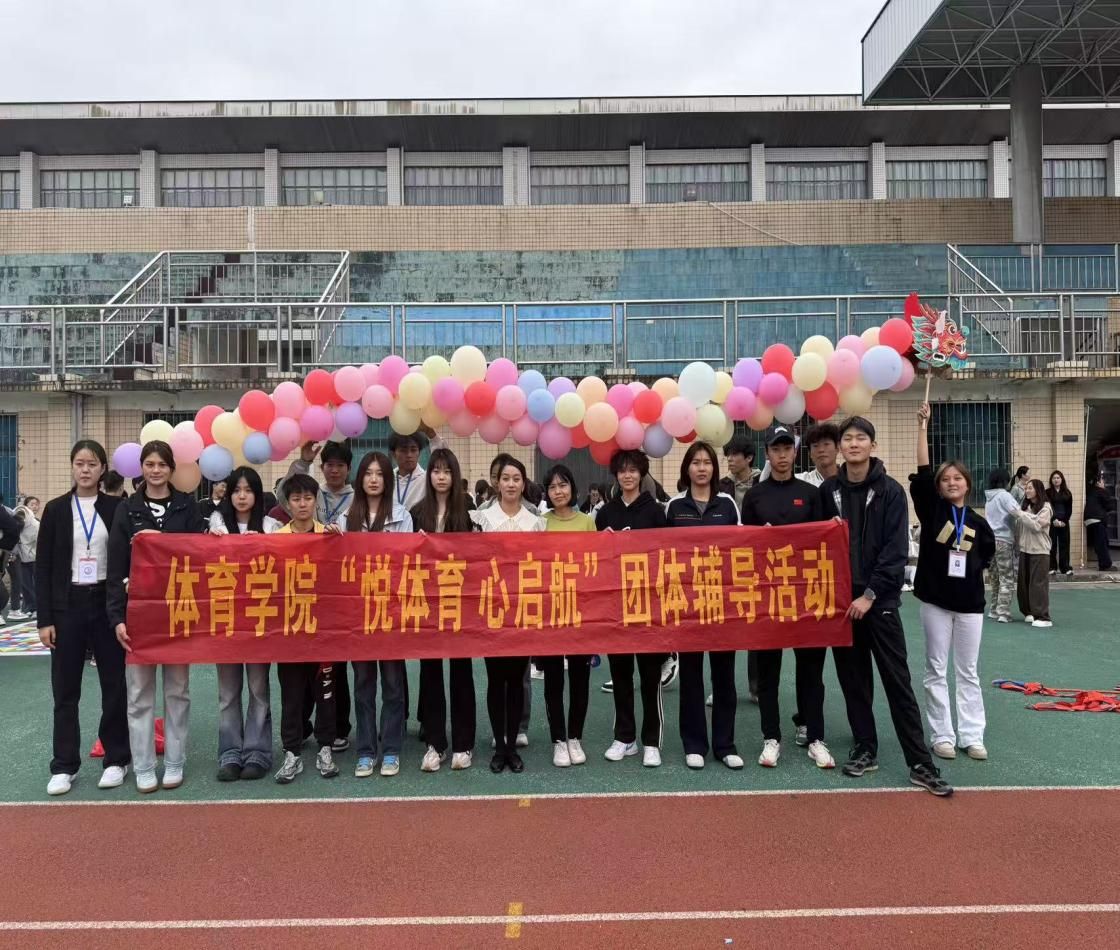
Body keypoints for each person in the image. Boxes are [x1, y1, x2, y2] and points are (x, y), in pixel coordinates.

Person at [820, 416, 952, 797]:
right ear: (841, 448)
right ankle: (866, 747)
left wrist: (870, 595)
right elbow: (815, 543)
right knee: (854, 681)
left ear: (872, 446)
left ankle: (920, 763)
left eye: (861, 438)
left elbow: (895, 552)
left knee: (897, 682)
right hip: (842, 605)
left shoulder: (892, 492)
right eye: (848, 439)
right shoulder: (828, 491)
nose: (854, 444)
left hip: (880, 604)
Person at [108, 440, 206, 793]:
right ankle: (144, 765)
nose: (155, 470)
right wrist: (117, 616)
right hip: (140, 613)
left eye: (162, 464)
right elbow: (115, 565)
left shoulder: (187, 506)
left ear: (171, 469)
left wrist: (162, 539)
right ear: (141, 468)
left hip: (179, 609)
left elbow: (200, 555)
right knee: (139, 693)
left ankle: (175, 761)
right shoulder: (127, 509)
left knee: (178, 689)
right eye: (149, 464)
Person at [37, 441, 128, 796]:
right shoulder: (56, 509)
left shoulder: (116, 508)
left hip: (106, 602)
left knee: (114, 684)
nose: (86, 469)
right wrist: (45, 619)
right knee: (65, 689)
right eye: (79, 463)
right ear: (72, 467)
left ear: (103, 468)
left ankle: (117, 759)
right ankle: (64, 765)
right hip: (67, 605)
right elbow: (44, 566)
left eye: (92, 463)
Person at [741, 425, 833, 770]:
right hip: (768, 598)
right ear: (768, 454)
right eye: (776, 450)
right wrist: (760, 539)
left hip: (806, 596)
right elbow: (744, 547)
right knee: (768, 673)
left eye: (787, 449)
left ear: (795, 453)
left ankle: (815, 737)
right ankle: (771, 738)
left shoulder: (811, 494)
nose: (782, 455)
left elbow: (824, 542)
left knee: (811, 671)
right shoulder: (755, 496)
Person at [913, 403, 995, 763]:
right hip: (935, 603)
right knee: (935, 669)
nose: (951, 483)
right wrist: (923, 427)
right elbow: (922, 469)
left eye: (957, 478)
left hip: (970, 606)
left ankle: (972, 735)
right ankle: (942, 735)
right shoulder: (932, 509)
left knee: (968, 671)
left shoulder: (979, 524)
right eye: (945, 479)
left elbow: (986, 557)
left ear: (967, 484)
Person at [666, 441, 743, 771]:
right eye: (695, 462)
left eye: (707, 462)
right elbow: (661, 553)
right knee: (692, 677)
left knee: (724, 677)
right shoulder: (674, 507)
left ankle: (725, 745)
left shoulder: (727, 505)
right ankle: (694, 744)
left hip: (722, 603)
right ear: (687, 468)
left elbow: (741, 548)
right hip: (687, 605)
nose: (701, 468)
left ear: (714, 467)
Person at [596, 449, 668, 767]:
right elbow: (597, 561)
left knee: (650, 676)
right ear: (616, 474)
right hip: (616, 607)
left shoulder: (655, 512)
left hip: (648, 607)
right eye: (622, 470)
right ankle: (625, 738)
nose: (627, 475)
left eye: (633, 470)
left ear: (642, 473)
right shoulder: (605, 513)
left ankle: (651, 741)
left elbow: (665, 556)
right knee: (621, 674)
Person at [207, 467, 280, 782]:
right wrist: (213, 542)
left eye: (248, 490)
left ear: (257, 494)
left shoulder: (271, 526)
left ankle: (258, 753)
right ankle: (230, 753)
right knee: (228, 692)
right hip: (225, 619)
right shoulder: (216, 523)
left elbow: (283, 564)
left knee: (258, 689)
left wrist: (264, 544)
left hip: (259, 619)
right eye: (236, 490)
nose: (241, 496)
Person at [473, 456, 544, 773]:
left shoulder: (536, 521)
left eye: (517, 479)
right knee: (495, 679)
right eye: (506, 478)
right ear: (497, 483)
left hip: (523, 610)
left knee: (517, 680)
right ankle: (499, 747)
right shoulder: (482, 518)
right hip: (492, 609)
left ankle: (512, 745)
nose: (511, 484)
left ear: (523, 483)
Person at [343, 452, 411, 779]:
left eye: (379, 474)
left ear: (387, 479)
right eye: (368, 473)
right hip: (359, 615)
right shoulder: (347, 517)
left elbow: (408, 563)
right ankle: (366, 751)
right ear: (360, 479)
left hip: (391, 613)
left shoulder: (402, 516)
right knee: (363, 684)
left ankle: (392, 749)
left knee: (394, 684)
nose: (373, 479)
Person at [412, 448, 478, 772]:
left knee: (461, 672)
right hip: (428, 604)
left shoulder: (468, 511)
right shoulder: (416, 513)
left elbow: (479, 556)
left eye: (447, 471)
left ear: (455, 475)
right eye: (436, 471)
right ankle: (435, 743)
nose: (441, 477)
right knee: (430, 673)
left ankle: (464, 744)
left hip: (459, 602)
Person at [286, 440, 353, 752]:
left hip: (333, 592)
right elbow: (287, 491)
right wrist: (303, 461)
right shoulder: (313, 492)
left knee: (334, 667)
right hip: (299, 594)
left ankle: (338, 728)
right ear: (322, 467)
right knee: (299, 668)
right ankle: (300, 727)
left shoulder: (356, 497)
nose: (334, 470)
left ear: (348, 469)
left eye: (340, 465)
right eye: (329, 465)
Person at [272, 473, 339, 784]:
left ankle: (326, 747)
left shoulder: (330, 535)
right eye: (296, 498)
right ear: (287, 503)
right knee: (292, 693)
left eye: (308, 498)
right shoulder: (276, 539)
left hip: (323, 630)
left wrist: (339, 542)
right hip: (289, 630)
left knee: (325, 691)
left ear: (316, 501)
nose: (302, 504)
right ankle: (292, 752)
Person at [538, 465, 597, 768]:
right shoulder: (540, 523)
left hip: (580, 611)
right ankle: (559, 740)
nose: (558, 491)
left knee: (579, 677)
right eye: (552, 487)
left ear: (572, 487)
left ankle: (575, 736)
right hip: (550, 611)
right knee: (553, 678)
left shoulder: (587, 522)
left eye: (563, 485)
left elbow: (597, 565)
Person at [1010, 479, 1053, 627]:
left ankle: (1043, 617)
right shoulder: (1026, 507)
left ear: (1038, 490)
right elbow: (1020, 528)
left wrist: (1021, 515)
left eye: (1030, 488)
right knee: (1023, 584)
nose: (1027, 491)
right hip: (1025, 549)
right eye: (1026, 488)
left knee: (1038, 584)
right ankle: (1029, 612)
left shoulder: (1046, 508)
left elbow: (1036, 526)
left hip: (1040, 550)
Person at [984, 469, 1019, 623]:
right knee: (1007, 578)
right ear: (1005, 481)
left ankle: (993, 609)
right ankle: (1003, 612)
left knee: (995, 578)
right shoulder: (1005, 495)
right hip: (1004, 540)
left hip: (991, 541)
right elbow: (1016, 512)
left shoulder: (989, 498)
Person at [13, 496, 40, 618]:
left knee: (37, 583)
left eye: (36, 504)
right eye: (32, 504)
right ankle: (29, 607)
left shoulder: (36, 525)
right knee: (25, 584)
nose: (34, 506)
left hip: (35, 558)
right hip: (21, 557)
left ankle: (37, 608)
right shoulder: (15, 521)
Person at [389, 432, 430, 512]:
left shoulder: (426, 479)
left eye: (413, 450)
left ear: (419, 453)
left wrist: (432, 435)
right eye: (403, 450)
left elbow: (441, 457)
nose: (409, 455)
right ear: (393, 454)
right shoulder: (387, 478)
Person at [1084, 472, 1115, 572]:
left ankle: (1103, 564)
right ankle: (1105, 565)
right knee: (1102, 542)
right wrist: (1105, 490)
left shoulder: (1091, 491)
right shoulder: (1101, 491)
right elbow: (1110, 506)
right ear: (1098, 483)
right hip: (1097, 519)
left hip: (1089, 520)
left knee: (1098, 542)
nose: (1104, 483)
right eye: (1102, 481)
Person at [1046, 471, 1073, 576]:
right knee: (1051, 545)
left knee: (1064, 545)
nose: (1056, 480)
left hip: (1064, 523)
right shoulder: (1047, 492)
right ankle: (1051, 567)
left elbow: (1069, 509)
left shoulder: (1067, 493)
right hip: (1052, 522)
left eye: (1058, 478)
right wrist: (1054, 520)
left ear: (1062, 479)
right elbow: (1047, 508)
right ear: (1051, 480)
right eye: (1054, 478)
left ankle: (1065, 567)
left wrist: (1064, 521)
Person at [720, 437, 758, 507]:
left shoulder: (761, 481)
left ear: (749, 458)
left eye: (734, 454)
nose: (729, 459)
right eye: (728, 455)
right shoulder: (722, 486)